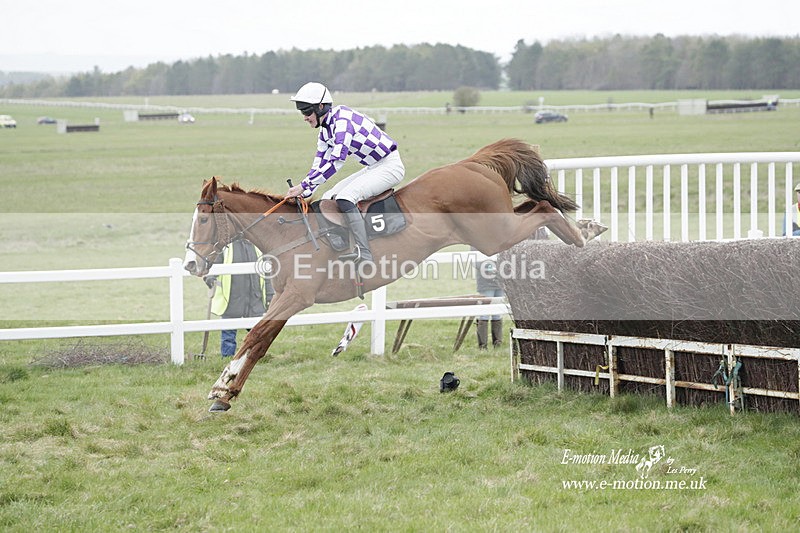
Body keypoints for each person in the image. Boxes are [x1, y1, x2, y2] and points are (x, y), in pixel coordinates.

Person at [285, 82, 405, 264]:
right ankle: (340, 246)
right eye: (301, 112)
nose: (304, 117)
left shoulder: (342, 120)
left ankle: (365, 253)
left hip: (390, 166)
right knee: (327, 197)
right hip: (374, 166)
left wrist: (303, 186)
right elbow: (319, 163)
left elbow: (336, 161)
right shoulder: (325, 130)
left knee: (345, 197)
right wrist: (305, 191)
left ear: (320, 107)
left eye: (306, 112)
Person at [203, 240, 274, 357]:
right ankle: (227, 357)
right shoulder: (225, 247)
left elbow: (267, 274)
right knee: (228, 334)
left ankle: (256, 355)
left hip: (254, 298)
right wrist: (209, 277)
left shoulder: (258, 246)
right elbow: (213, 265)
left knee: (257, 331)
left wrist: (270, 295)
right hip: (231, 299)